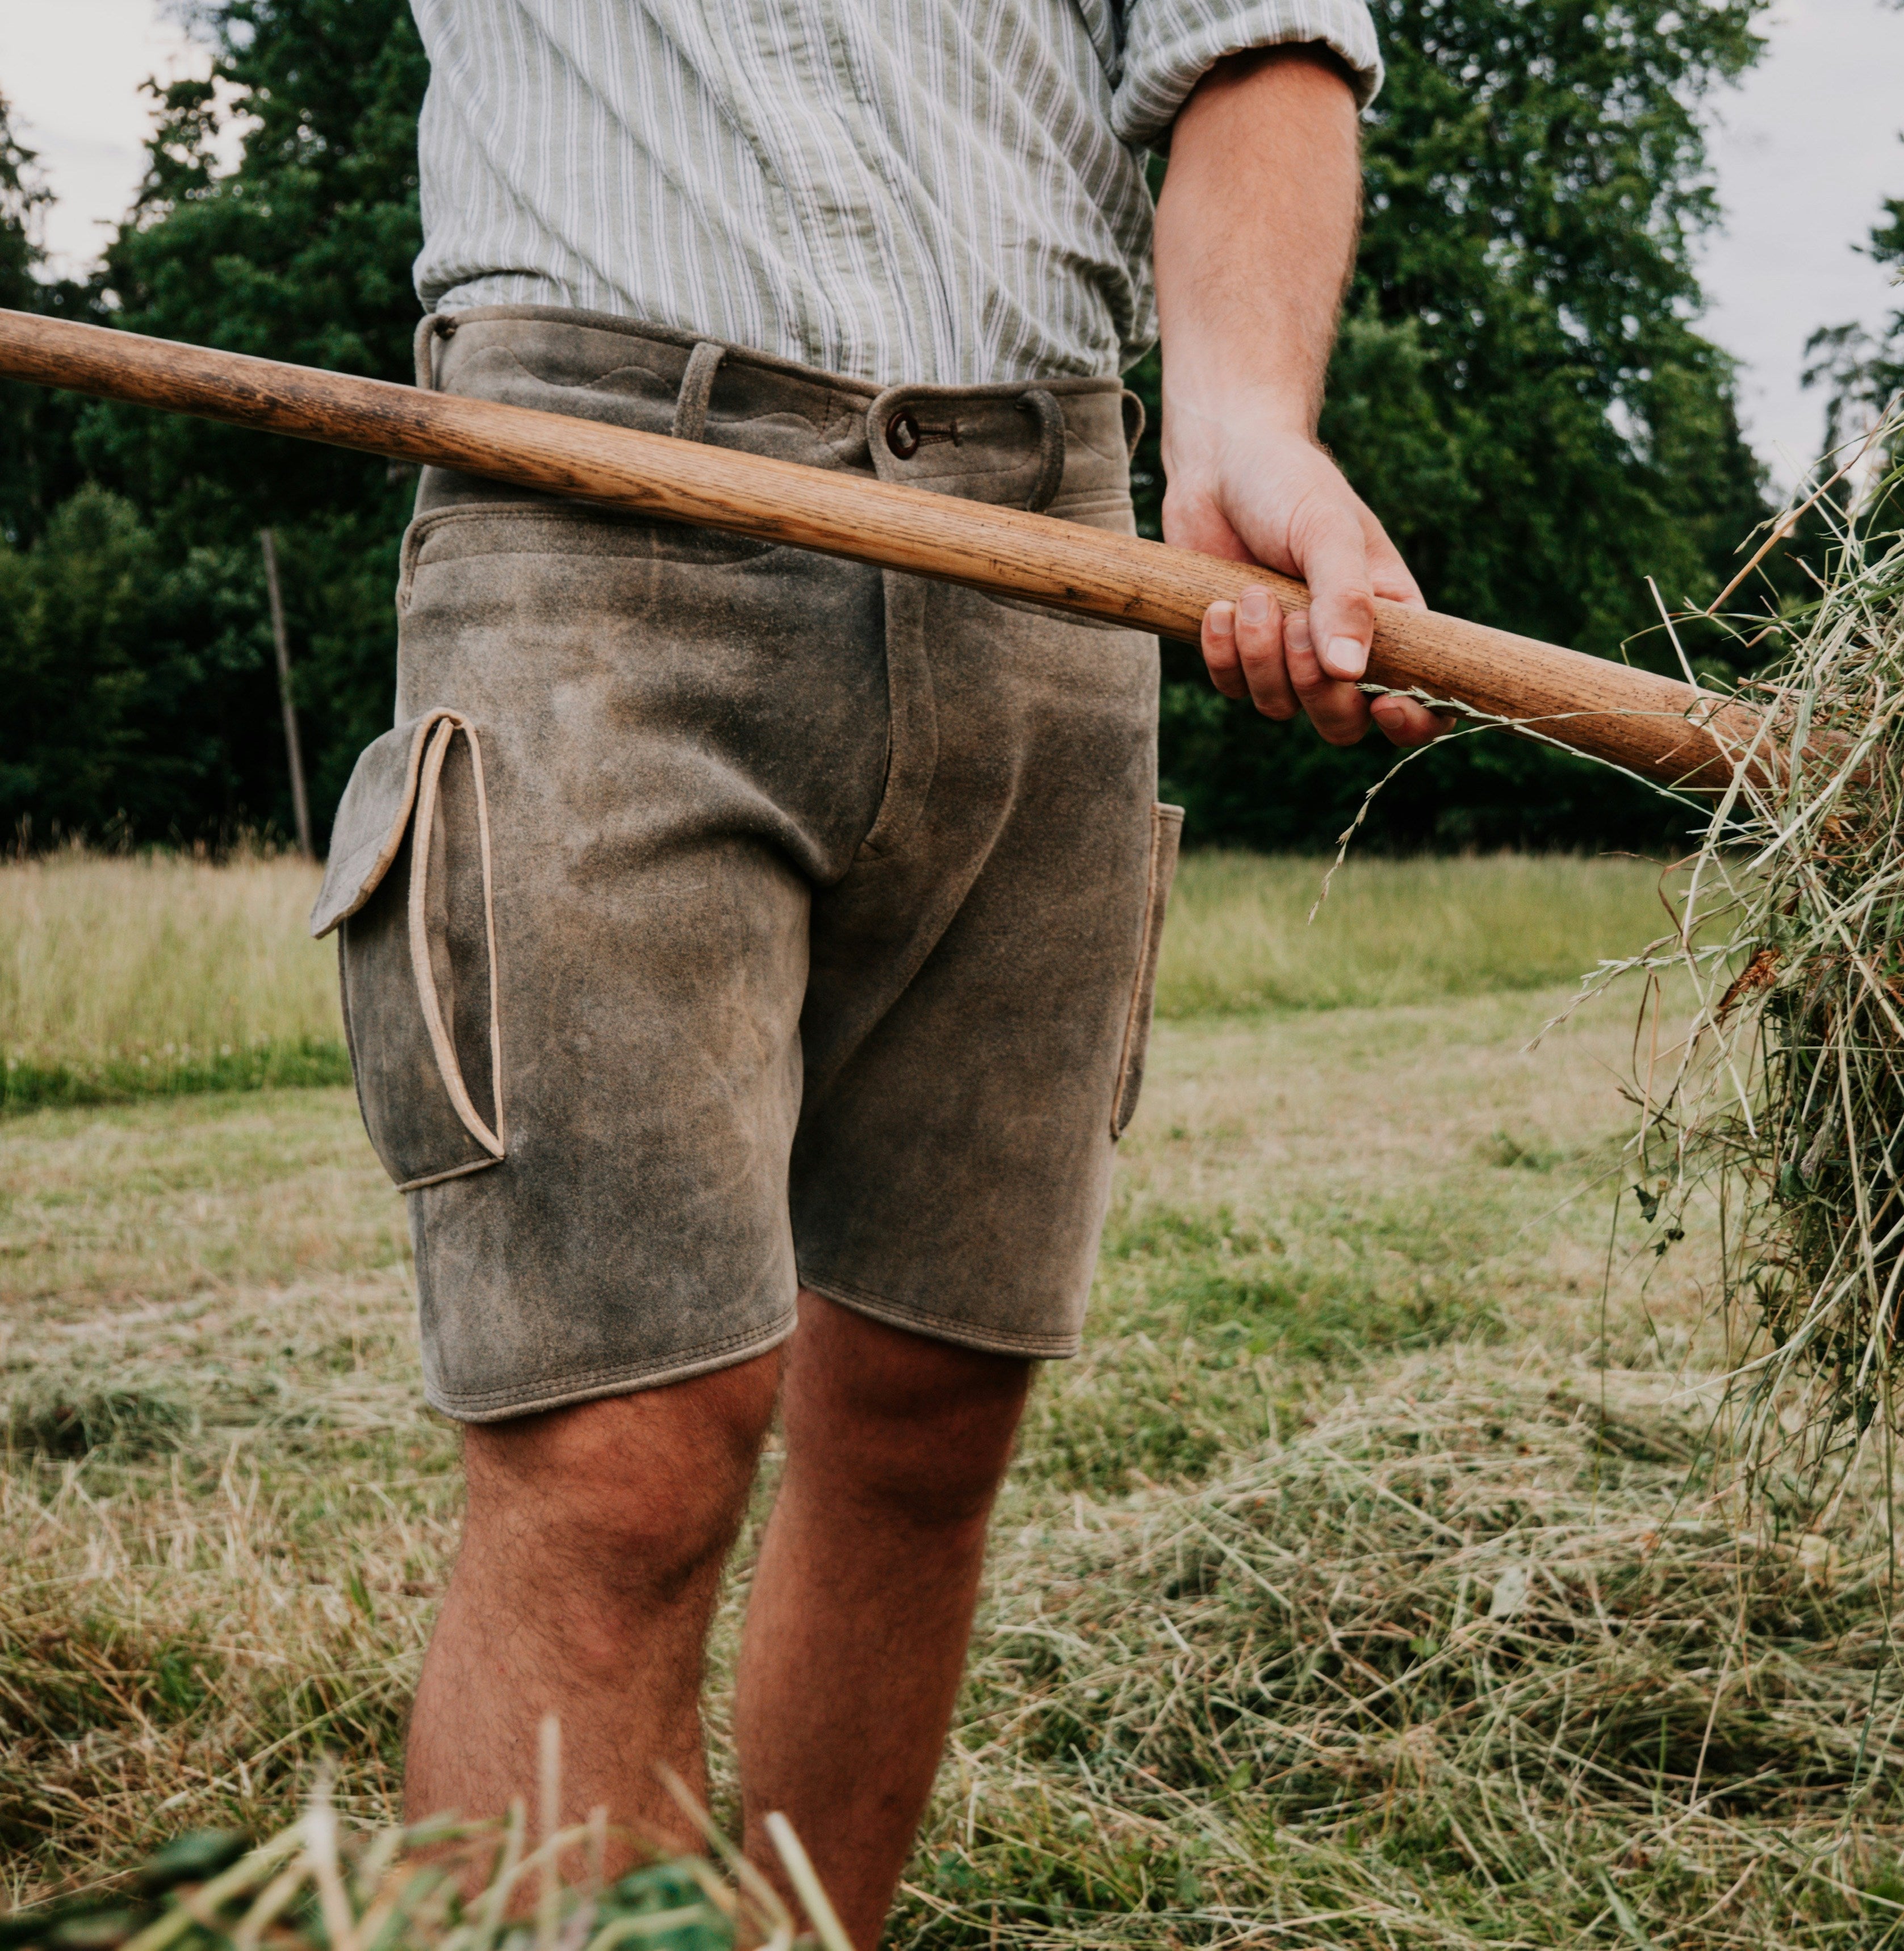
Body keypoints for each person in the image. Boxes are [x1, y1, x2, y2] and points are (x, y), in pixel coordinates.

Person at [309, 0, 1445, 1936]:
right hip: (594, 512)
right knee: (619, 1449)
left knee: (927, 1402)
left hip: (1051, 542)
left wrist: (1246, 414)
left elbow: (1253, 37)